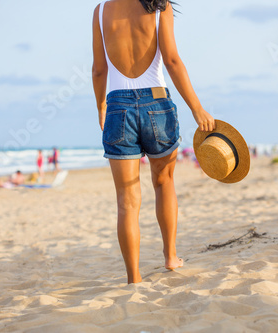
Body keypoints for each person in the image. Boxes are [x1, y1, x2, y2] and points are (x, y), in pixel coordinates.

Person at [92, 0, 215, 284]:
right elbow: (172, 60)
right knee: (164, 183)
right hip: (157, 103)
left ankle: (134, 278)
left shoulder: (100, 12)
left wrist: (101, 106)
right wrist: (197, 108)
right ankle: (171, 257)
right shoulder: (159, 7)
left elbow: (99, 70)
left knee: (127, 201)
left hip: (118, 106)